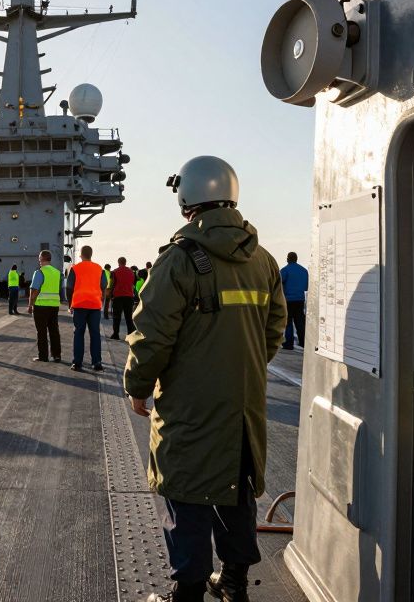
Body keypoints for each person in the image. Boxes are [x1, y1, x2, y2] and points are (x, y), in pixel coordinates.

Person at [124, 156, 286, 602]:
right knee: (237, 491)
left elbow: (152, 335)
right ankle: (234, 583)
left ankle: (188, 593)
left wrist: (137, 387)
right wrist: (243, 367)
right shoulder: (264, 260)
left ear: (186, 197)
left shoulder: (178, 260)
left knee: (187, 494)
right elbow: (273, 331)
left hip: (191, 406)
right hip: (244, 404)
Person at [66, 245, 108, 372]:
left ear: (81, 255)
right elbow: (104, 287)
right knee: (95, 334)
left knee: (79, 333)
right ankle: (97, 362)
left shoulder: (75, 268)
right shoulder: (99, 268)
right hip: (95, 305)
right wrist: (102, 301)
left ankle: (77, 363)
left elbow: (69, 287)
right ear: (91, 254)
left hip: (79, 304)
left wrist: (70, 305)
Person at [27, 249, 63, 364]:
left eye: (39, 258)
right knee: (54, 331)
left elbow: (34, 291)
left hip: (41, 306)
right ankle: (56, 355)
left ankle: (43, 356)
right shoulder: (57, 273)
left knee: (41, 332)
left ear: (41, 259)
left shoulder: (39, 272)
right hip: (54, 306)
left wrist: (30, 305)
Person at [280, 252, 308, 350]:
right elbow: (306, 287)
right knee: (300, 322)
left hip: (288, 300)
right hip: (300, 300)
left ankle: (288, 344)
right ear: (296, 259)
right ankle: (303, 343)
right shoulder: (304, 271)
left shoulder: (285, 270)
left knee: (288, 322)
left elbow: (278, 284)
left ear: (288, 259)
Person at [109, 256, 137, 340]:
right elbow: (133, 283)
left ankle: (116, 334)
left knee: (116, 317)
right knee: (129, 317)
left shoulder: (115, 272)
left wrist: (110, 294)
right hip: (129, 296)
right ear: (125, 262)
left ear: (118, 262)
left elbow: (112, 284)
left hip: (118, 296)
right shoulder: (131, 272)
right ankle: (130, 335)